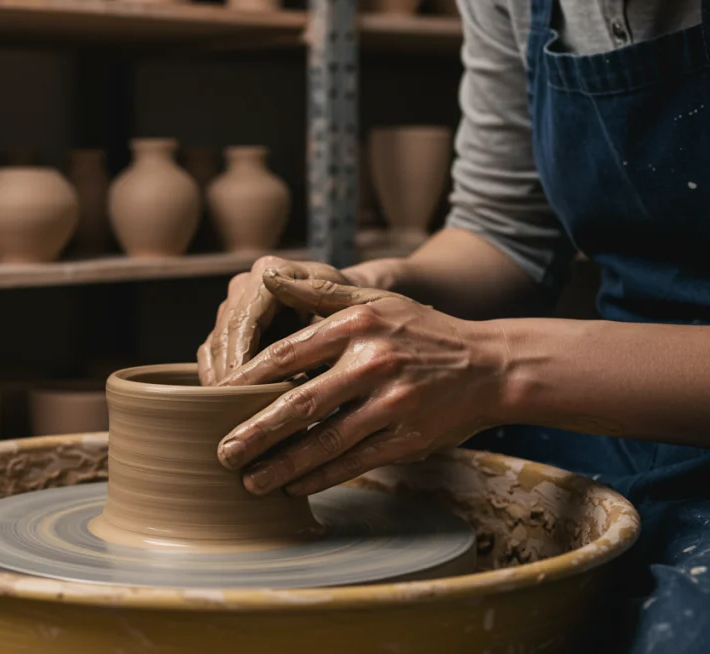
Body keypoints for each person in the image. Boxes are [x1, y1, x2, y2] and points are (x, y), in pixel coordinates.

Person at [198, 0, 710, 651]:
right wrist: (364, 294)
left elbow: (495, 359)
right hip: (612, 400)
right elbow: (503, 232)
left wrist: (493, 361)